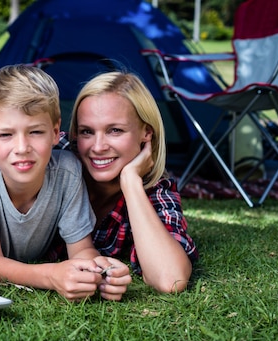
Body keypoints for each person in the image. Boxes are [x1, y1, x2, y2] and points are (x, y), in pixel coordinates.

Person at [0, 65, 132, 302]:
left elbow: (80, 249)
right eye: (5, 135)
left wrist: (100, 270)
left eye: (35, 132)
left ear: (55, 132)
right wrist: (51, 275)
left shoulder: (68, 171)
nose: (22, 148)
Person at [68, 71, 199, 293]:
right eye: (86, 132)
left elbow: (170, 280)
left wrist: (131, 182)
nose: (98, 147)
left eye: (115, 130)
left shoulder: (155, 189)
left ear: (146, 133)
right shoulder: (55, 160)